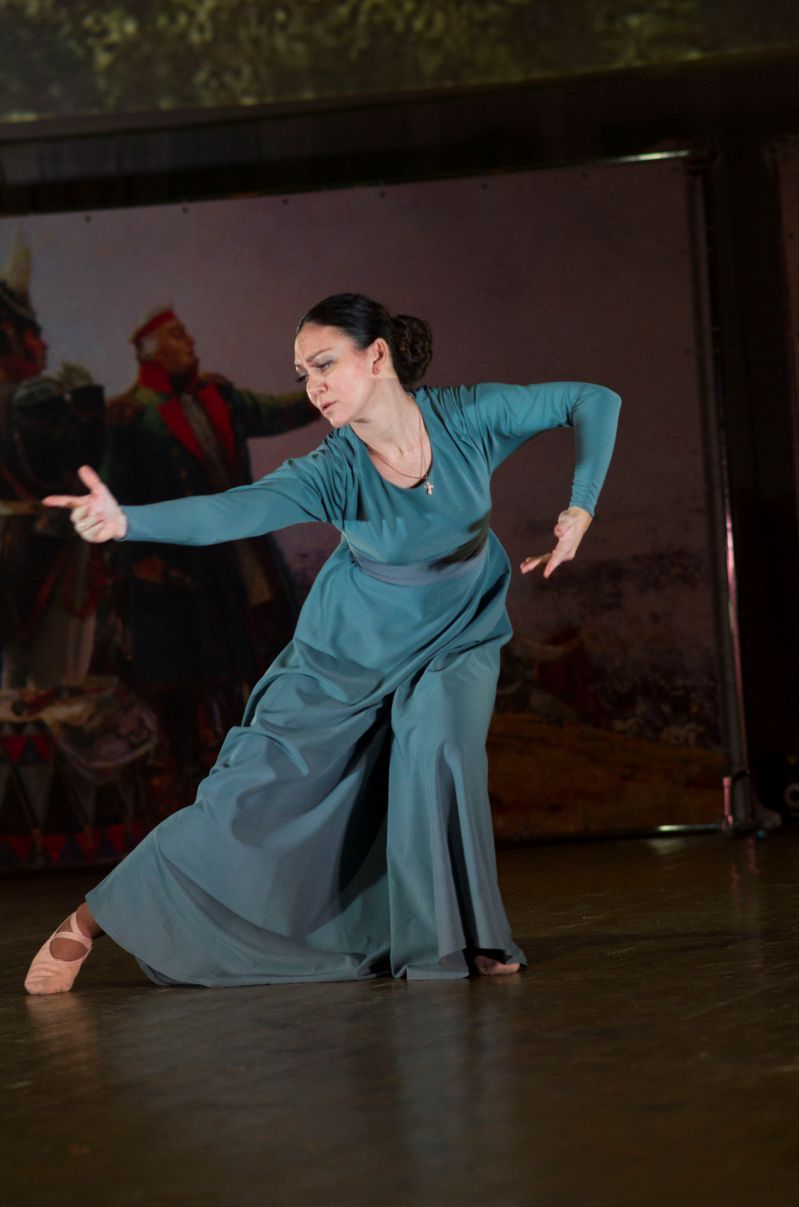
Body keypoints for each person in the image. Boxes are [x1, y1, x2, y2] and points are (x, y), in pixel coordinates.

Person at [24, 293, 620, 993]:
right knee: (254, 793)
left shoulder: (467, 417)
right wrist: (127, 521)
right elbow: (232, 511)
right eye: (303, 373)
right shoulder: (334, 469)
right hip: (350, 648)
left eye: (325, 364)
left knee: (441, 748)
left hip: (457, 630)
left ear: (377, 355)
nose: (313, 385)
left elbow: (592, 399)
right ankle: (96, 916)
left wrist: (580, 508)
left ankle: (460, 938)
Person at [103, 307, 318, 780]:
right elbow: (117, 500)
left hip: (240, 556)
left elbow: (279, 411)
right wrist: (141, 562)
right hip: (183, 568)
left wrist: (333, 386)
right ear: (151, 352)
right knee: (190, 680)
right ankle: (200, 775)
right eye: (178, 336)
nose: (191, 343)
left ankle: (267, 760)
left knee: (262, 654)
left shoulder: (218, 396)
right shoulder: (132, 418)